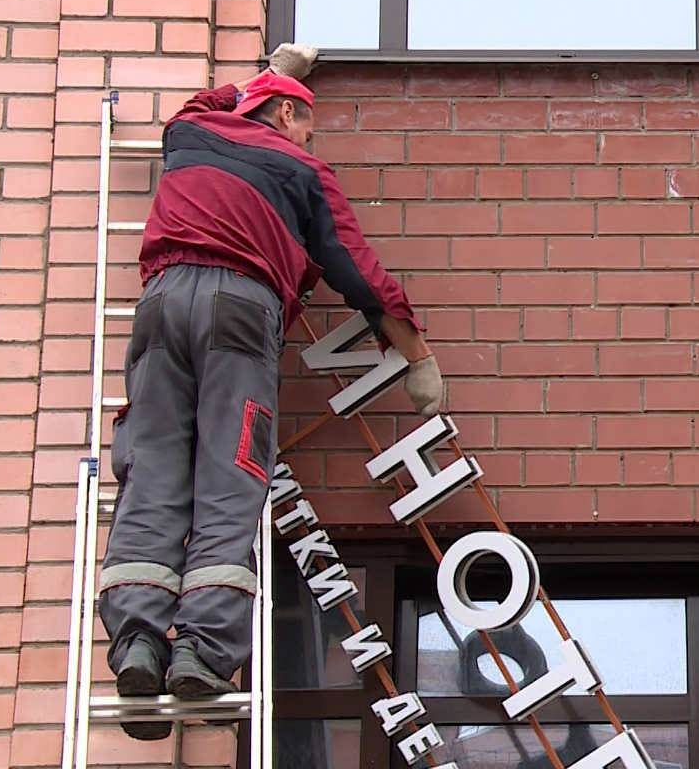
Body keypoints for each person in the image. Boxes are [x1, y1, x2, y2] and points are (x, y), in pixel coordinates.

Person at [97, 44, 443, 740]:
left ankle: (137, 642)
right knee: (230, 475)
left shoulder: (190, 130)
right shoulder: (303, 171)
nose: (310, 138)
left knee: (152, 468)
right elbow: (356, 269)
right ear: (286, 113)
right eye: (306, 122)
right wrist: (418, 356)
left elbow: (208, 98)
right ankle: (201, 653)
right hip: (240, 308)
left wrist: (275, 71)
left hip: (160, 304)